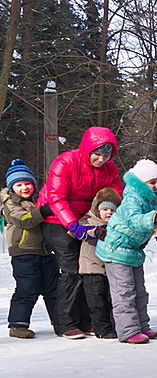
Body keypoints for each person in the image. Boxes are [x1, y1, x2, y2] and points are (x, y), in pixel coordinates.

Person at [36, 127, 123, 339]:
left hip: (87, 220)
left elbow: (115, 195)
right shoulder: (66, 162)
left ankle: (87, 320)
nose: (101, 159)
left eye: (106, 155)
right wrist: (73, 225)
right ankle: (65, 322)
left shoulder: (110, 169)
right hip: (57, 218)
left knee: (88, 268)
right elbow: (56, 198)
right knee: (71, 266)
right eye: (97, 154)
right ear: (88, 149)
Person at [95, 160, 157, 344]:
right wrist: (155, 217)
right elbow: (134, 220)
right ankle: (128, 331)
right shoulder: (132, 198)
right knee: (124, 291)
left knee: (140, 291)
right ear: (141, 183)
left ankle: (142, 326)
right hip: (116, 250)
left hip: (133, 251)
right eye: (152, 182)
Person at [1, 160, 59, 338]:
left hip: (45, 251)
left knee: (54, 288)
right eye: (19, 185)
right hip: (24, 253)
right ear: (12, 187)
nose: (24, 188)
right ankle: (18, 325)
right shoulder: (9, 204)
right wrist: (44, 211)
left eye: (27, 183)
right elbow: (23, 219)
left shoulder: (38, 200)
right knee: (27, 287)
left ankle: (62, 322)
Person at [78, 187, 122, 339]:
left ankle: (115, 325)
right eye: (104, 209)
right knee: (97, 300)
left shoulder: (118, 225)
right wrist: (95, 231)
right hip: (92, 268)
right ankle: (101, 328)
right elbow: (77, 230)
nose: (108, 213)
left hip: (112, 267)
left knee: (111, 298)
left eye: (112, 210)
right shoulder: (89, 220)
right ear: (97, 210)